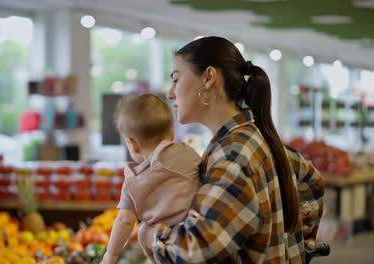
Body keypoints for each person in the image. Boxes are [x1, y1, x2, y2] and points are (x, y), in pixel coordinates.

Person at [139, 36, 325, 263]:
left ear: (208, 77)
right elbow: (312, 181)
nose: (170, 93)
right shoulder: (254, 138)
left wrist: (152, 236)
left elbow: (196, 249)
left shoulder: (233, 154)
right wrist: (298, 248)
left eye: (176, 80)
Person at [101, 94, 202, 264]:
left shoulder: (132, 180)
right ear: (172, 134)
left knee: (143, 232)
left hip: (162, 246)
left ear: (132, 144)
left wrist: (110, 255)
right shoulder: (187, 154)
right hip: (192, 241)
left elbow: (124, 220)